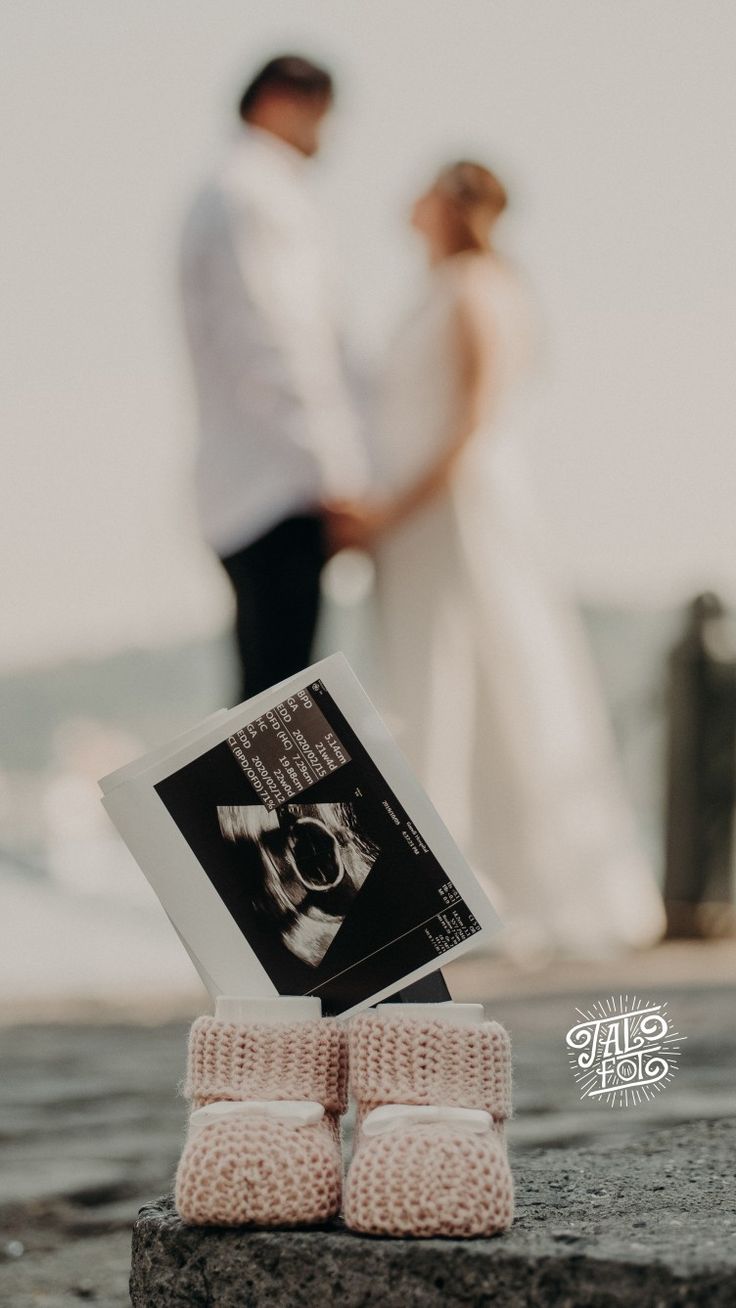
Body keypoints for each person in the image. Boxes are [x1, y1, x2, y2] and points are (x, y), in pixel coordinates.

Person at [326, 161, 664, 956]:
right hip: (423, 519)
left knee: (462, 680)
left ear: (450, 205)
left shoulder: (474, 290)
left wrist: (387, 514)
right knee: (439, 681)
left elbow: (471, 423)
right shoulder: (454, 288)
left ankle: (461, 886)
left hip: (451, 515)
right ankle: (453, 878)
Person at [180, 55, 365, 701]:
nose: (326, 137)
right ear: (285, 100)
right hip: (275, 483)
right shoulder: (254, 193)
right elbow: (274, 340)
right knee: (280, 702)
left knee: (271, 691)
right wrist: (333, 472)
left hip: (255, 478)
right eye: (323, 117)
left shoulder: (236, 191)